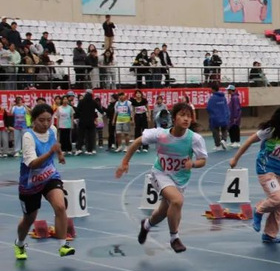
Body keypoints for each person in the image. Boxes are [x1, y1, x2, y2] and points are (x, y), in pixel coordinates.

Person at [115, 102, 208, 252]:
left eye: (189, 116)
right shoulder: (161, 135)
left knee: (164, 212)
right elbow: (137, 142)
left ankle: (146, 225)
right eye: (182, 115)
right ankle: (174, 238)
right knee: (177, 201)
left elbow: (203, 160)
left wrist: (193, 164)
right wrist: (125, 162)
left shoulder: (194, 139)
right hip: (160, 173)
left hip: (180, 179)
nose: (186, 119)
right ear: (174, 118)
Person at [229, 102, 280, 243]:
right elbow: (249, 141)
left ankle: (270, 234)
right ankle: (259, 209)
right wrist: (235, 158)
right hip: (266, 167)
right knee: (278, 198)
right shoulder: (271, 130)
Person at [14, 103, 75, 261]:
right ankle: (19, 243)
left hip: (50, 176)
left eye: (49, 120)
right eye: (42, 120)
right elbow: (33, 164)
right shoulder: (28, 137)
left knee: (60, 206)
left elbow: (55, 144)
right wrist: (50, 153)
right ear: (33, 120)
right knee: (29, 219)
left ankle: (63, 245)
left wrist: (59, 154)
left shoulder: (52, 130)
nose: (46, 124)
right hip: (30, 183)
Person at [207, 82, 229, 151]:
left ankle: (218, 145)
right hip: (224, 116)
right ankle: (224, 140)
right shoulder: (223, 97)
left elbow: (208, 108)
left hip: (215, 117)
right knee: (224, 129)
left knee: (215, 131)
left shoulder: (212, 98)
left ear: (213, 89)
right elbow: (226, 107)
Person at [75, 90, 98, 155]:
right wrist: (102, 112)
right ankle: (90, 150)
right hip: (91, 121)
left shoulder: (81, 101)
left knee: (80, 135)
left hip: (82, 121)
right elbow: (97, 109)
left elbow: (77, 110)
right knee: (90, 136)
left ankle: (79, 149)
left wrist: (80, 116)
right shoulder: (93, 102)